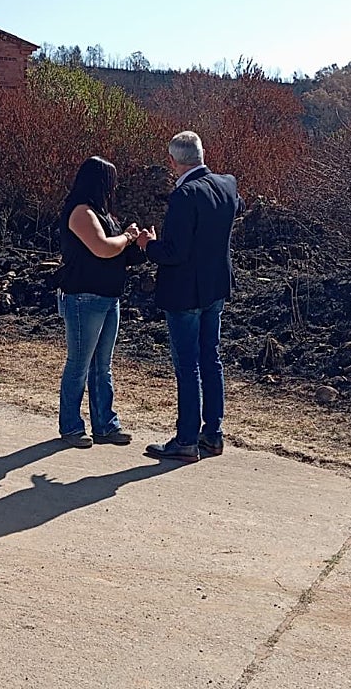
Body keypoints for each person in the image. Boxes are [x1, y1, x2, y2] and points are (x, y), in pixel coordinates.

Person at [137, 131, 240, 463]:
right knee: (210, 358)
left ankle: (185, 440)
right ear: (202, 154)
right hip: (215, 287)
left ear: (173, 162)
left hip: (185, 292)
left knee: (187, 365)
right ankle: (213, 434)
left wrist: (147, 245)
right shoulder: (227, 185)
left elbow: (174, 252)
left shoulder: (184, 196)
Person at [55, 156, 142, 448]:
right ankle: (71, 426)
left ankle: (105, 424)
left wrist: (138, 244)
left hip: (108, 297)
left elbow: (118, 254)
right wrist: (128, 237)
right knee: (79, 364)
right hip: (83, 297)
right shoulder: (81, 213)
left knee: (102, 365)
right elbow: (103, 248)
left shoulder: (106, 215)